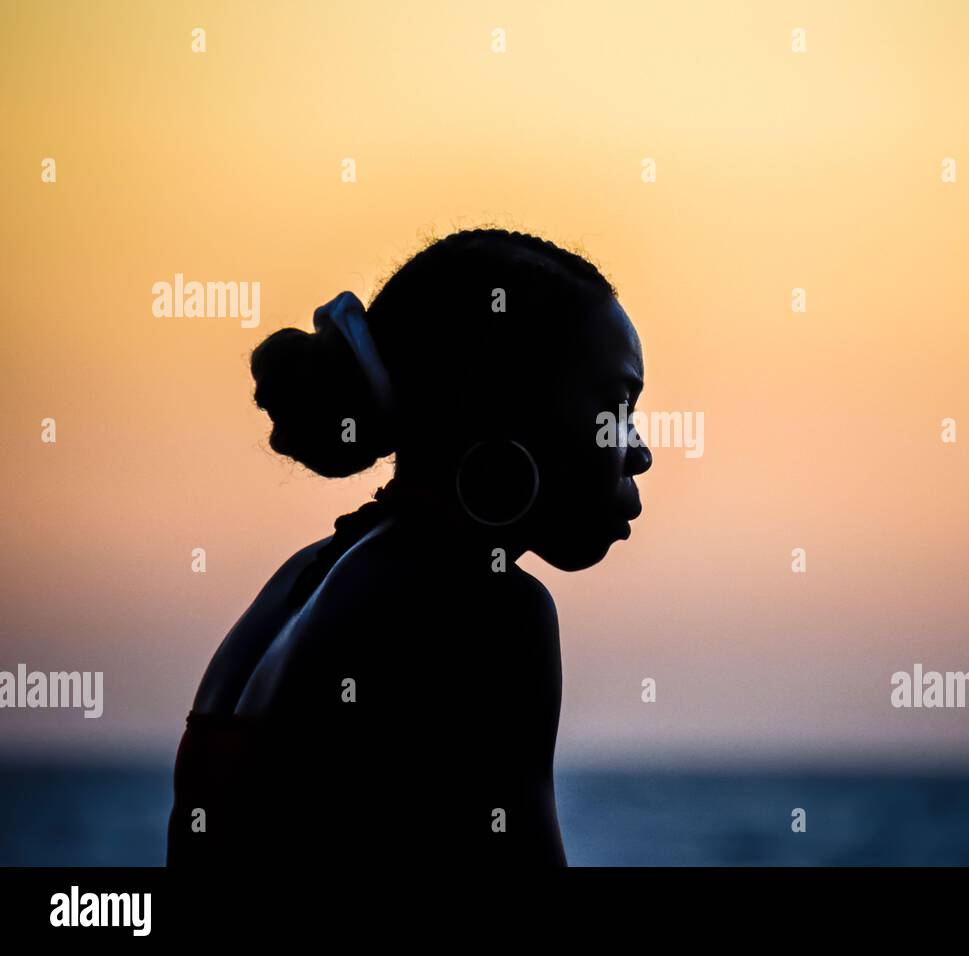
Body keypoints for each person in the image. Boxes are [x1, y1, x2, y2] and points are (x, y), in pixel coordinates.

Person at [167, 229, 651, 868]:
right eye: (615, 403)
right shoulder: (488, 609)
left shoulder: (302, 579)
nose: (640, 450)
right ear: (504, 405)